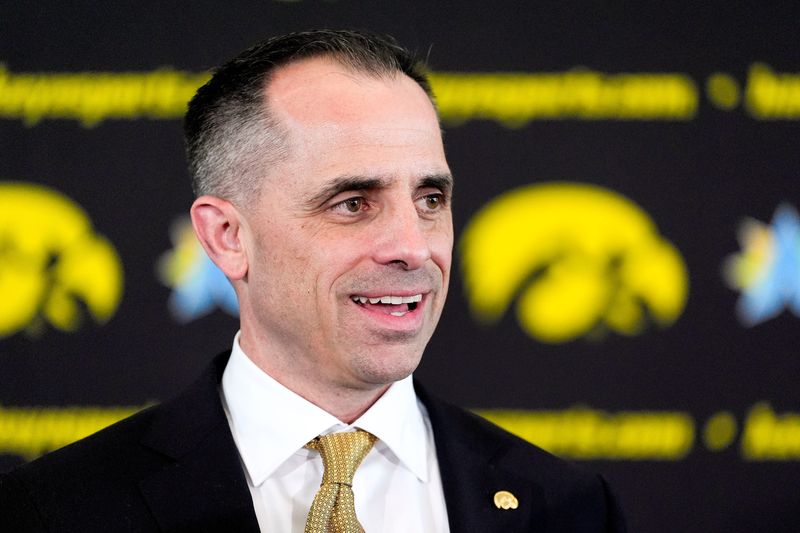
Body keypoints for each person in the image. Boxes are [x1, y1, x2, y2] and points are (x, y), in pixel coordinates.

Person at [0, 29, 626, 532]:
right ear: (227, 237)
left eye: (431, 198)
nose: (414, 247)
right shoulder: (54, 512)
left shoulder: (568, 508)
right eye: (353, 203)